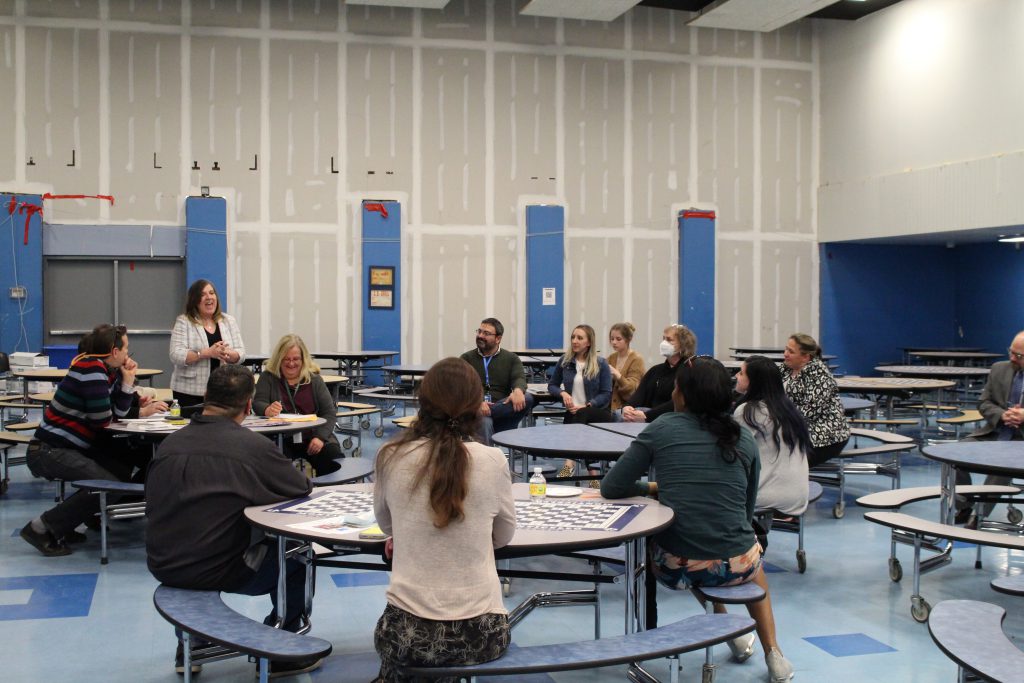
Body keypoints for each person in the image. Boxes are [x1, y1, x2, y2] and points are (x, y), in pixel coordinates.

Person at [601, 357, 794, 683]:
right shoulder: (743, 438)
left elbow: (612, 486)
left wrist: (649, 488)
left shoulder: (662, 428)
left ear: (684, 396)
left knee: (689, 545)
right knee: (744, 557)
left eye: (677, 386)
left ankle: (729, 631)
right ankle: (774, 653)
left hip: (677, 565)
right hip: (739, 562)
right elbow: (746, 511)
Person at [145, 364, 319, 677]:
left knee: (195, 535)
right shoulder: (251, 447)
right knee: (297, 553)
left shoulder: (170, 444)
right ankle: (282, 646)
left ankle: (192, 645)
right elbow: (300, 487)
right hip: (224, 568)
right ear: (249, 405)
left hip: (164, 563)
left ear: (205, 397)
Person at [373, 357, 516, 682]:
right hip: (482, 633)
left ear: (422, 402)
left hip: (406, 631)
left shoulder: (390, 456)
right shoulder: (493, 460)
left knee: (401, 657)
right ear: (477, 405)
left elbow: (387, 526)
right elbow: (503, 536)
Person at [21, 324, 139, 556]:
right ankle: (41, 528)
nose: (128, 355)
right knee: (109, 484)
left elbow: (118, 413)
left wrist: (124, 382)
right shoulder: (91, 370)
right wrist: (126, 385)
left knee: (118, 471)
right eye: (126, 350)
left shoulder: (103, 371)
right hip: (49, 450)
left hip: (68, 449)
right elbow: (104, 420)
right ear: (114, 352)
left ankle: (65, 525)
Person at [954, 331, 1024, 527]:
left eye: (1019, 356)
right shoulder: (999, 369)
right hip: (995, 432)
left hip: (1021, 441)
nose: (1012, 358)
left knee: (1001, 467)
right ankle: (963, 506)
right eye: (1011, 351)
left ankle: (979, 516)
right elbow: (984, 403)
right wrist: (1002, 415)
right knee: (955, 455)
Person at [252, 334, 342, 476]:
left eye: (296, 359)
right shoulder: (268, 377)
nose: (291, 363)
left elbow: (329, 413)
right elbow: (258, 402)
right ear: (278, 359)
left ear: (303, 359)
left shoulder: (315, 380)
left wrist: (320, 437)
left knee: (334, 459)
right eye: (286, 359)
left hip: (313, 436)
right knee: (270, 463)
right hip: (281, 438)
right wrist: (267, 409)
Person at [734, 356, 812, 516]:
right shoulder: (788, 408)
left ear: (754, 382)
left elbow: (735, 455)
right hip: (798, 496)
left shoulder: (748, 411)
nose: (736, 376)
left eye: (741, 373)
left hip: (768, 497)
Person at [548, 324, 612, 480]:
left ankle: (569, 463)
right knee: (576, 419)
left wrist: (589, 405)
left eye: (580, 338)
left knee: (581, 415)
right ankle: (593, 476)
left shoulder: (601, 363)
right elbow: (552, 385)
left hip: (598, 412)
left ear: (589, 342)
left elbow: (606, 393)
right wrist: (562, 393)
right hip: (573, 413)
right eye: (573, 337)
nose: (575, 341)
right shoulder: (565, 361)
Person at [168, 278, 246, 407]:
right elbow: (176, 355)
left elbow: (241, 353)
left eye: (211, 293)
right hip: (189, 392)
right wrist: (206, 353)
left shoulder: (228, 321)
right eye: (203, 294)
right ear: (195, 300)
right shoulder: (184, 322)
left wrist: (230, 354)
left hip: (222, 390)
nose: (209, 297)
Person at [460, 317, 534, 445]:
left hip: (503, 413)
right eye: (479, 331)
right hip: (474, 413)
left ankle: (487, 412)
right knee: (484, 421)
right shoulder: (466, 358)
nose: (480, 336)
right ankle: (488, 462)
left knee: (528, 398)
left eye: (486, 333)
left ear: (498, 339)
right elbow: (460, 388)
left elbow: (519, 377)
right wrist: (477, 403)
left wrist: (517, 391)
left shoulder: (511, 358)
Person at [781, 333, 849, 468]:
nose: (785, 354)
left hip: (825, 437)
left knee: (780, 459)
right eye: (786, 349)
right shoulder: (786, 368)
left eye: (791, 351)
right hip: (795, 430)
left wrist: (775, 420)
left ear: (805, 357)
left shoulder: (820, 377)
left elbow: (807, 413)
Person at [621, 323, 696, 424]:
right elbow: (639, 395)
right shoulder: (655, 370)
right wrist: (627, 408)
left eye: (669, 340)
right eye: (663, 339)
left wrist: (647, 416)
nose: (664, 343)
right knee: (619, 415)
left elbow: (677, 403)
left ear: (683, 344)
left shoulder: (689, 371)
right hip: (645, 417)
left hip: (671, 420)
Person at [608, 322, 645, 412]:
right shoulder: (611, 358)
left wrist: (617, 374)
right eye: (612, 339)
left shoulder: (637, 359)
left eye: (618, 339)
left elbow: (632, 391)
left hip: (627, 408)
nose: (614, 342)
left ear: (628, 339)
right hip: (610, 407)